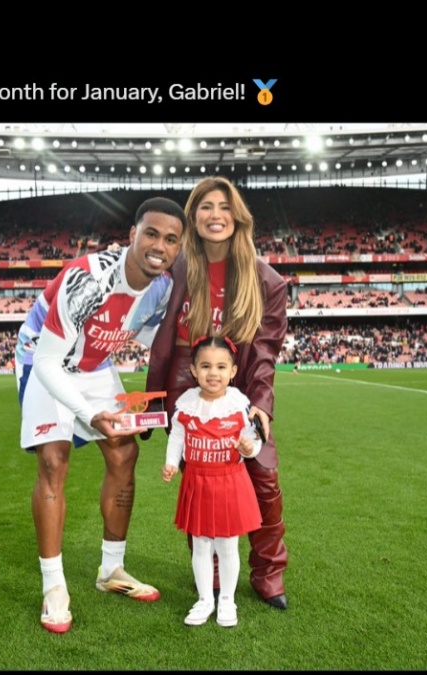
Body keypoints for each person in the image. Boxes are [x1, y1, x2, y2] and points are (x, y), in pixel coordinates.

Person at [15, 197, 186, 633]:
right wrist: (89, 413)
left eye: (171, 240)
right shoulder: (89, 279)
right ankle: (54, 586)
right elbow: (49, 361)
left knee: (124, 453)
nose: (159, 246)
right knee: (53, 460)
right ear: (132, 234)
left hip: (93, 364)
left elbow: (153, 338)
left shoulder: (163, 287)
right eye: (151, 234)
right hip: (44, 357)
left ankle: (112, 570)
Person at [145, 176, 290, 610]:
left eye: (225, 207)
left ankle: (268, 571)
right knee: (200, 479)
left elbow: (264, 352)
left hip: (241, 379)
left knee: (263, 476)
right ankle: (207, 571)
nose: (215, 215)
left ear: (237, 216)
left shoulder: (266, 280)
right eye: (206, 206)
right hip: (186, 380)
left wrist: (260, 405)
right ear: (193, 217)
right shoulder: (176, 270)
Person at [162, 336, 263, 627]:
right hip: (197, 482)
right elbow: (177, 435)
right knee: (201, 545)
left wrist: (249, 448)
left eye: (221, 366)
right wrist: (171, 463)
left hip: (229, 481)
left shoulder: (239, 404)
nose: (213, 373)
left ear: (232, 371)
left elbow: (254, 440)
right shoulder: (186, 404)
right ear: (194, 370)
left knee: (227, 546)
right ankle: (205, 599)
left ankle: (227, 599)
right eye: (205, 366)